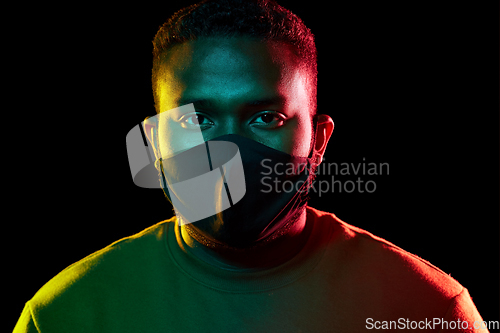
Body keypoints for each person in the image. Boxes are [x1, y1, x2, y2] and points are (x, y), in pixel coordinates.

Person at [14, 0, 487, 332]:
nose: (228, 150)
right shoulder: (64, 315)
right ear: (155, 139)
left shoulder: (429, 310)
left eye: (266, 117)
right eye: (196, 119)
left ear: (318, 139)